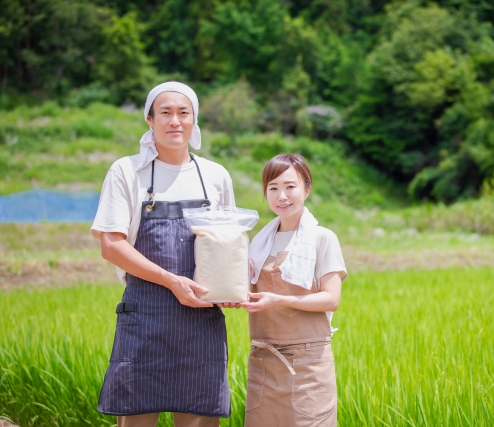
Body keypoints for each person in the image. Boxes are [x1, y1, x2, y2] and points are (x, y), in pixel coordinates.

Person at [91, 81, 239, 427]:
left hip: (200, 320)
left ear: (194, 119)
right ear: (149, 119)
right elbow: (111, 245)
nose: (175, 120)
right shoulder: (127, 171)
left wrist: (233, 287)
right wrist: (172, 281)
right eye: (165, 112)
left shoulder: (215, 176)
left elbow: (228, 246)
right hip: (145, 318)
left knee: (199, 420)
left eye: (183, 113)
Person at [241, 154, 347, 427]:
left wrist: (279, 299)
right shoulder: (258, 243)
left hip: (308, 363)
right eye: (273, 188)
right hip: (264, 359)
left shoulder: (322, 237)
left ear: (307, 189)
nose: (282, 195)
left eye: (290, 186)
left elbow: (331, 299)